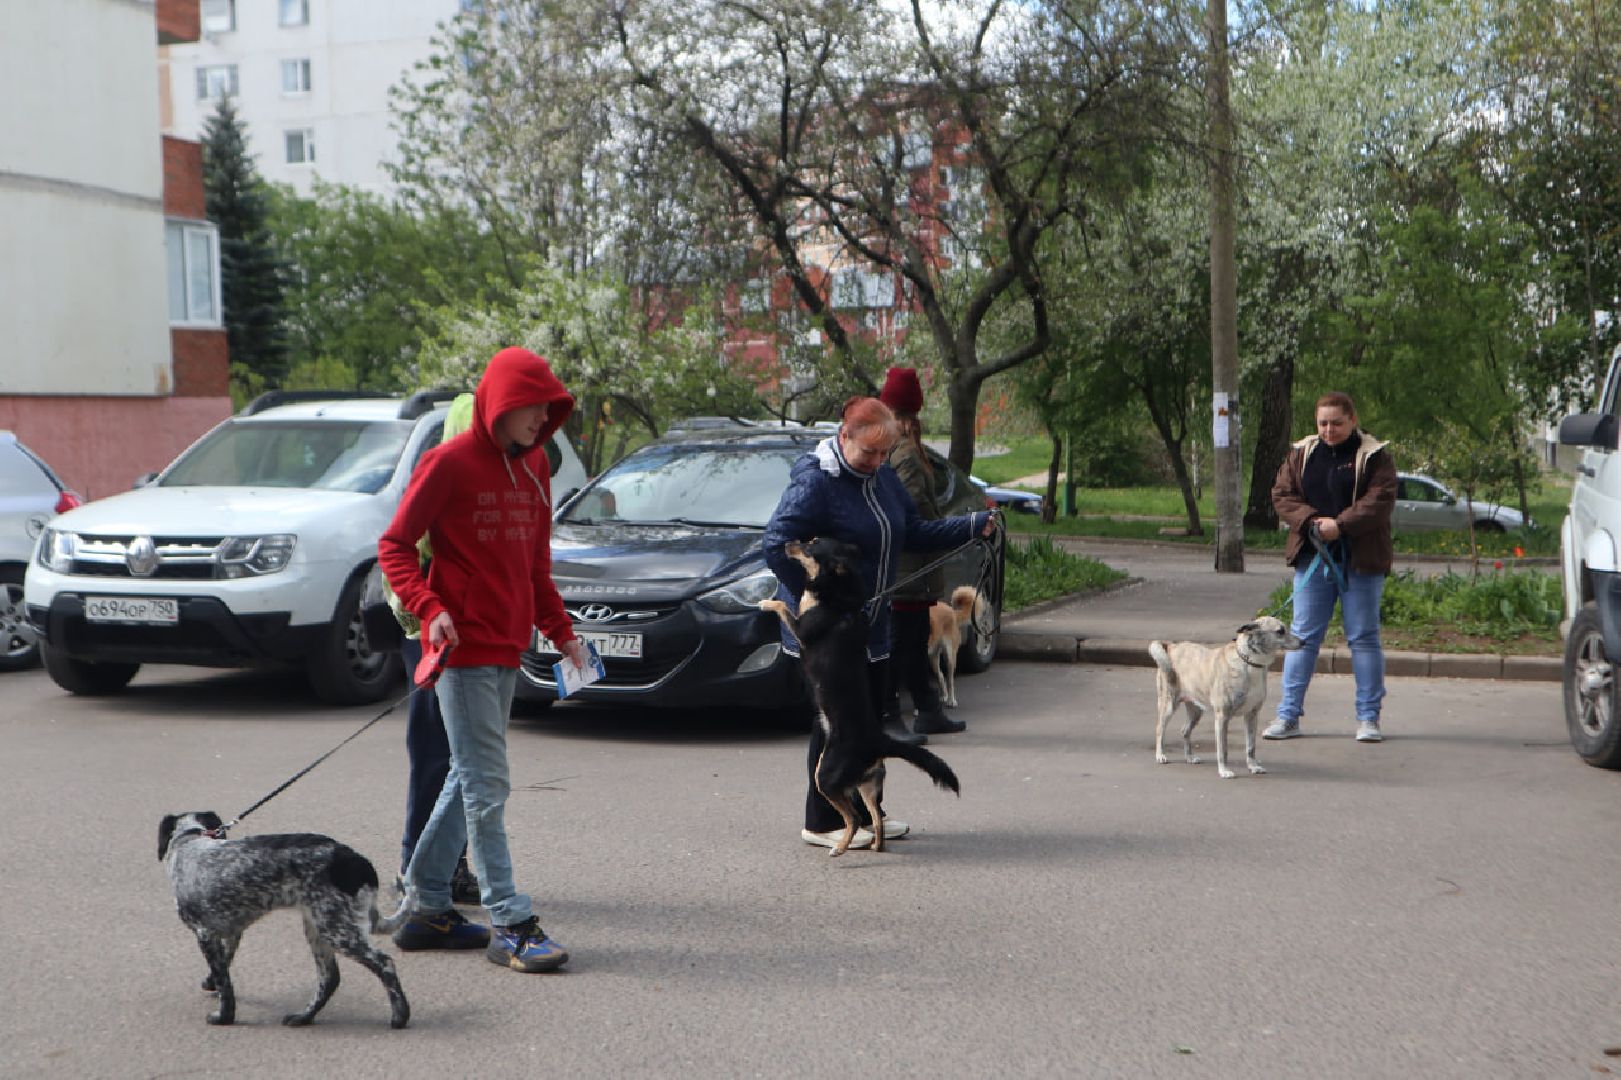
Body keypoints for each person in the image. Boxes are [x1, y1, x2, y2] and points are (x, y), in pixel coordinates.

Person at [378, 346, 590, 973]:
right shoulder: (448, 463)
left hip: (507, 645)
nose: (542, 420)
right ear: (501, 402)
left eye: (550, 410)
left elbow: (535, 567)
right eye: (533, 408)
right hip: (461, 649)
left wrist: (562, 632)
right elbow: (392, 546)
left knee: (468, 777)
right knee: (488, 784)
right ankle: (511, 920)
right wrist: (426, 604)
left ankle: (425, 906)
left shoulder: (537, 470)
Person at [765, 396, 995, 850]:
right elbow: (776, 545)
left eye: (883, 453)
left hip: (870, 624)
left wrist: (972, 525)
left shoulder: (883, 477)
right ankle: (823, 819)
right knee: (835, 721)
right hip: (826, 630)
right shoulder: (816, 483)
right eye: (867, 452)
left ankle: (869, 811)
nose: (875, 462)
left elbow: (913, 532)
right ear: (843, 435)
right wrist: (824, 602)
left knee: (867, 722)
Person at [385, 392, 479, 905]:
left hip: (469, 642)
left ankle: (450, 865)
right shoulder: (436, 479)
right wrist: (427, 616)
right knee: (434, 758)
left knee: (466, 763)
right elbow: (396, 561)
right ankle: (413, 867)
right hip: (426, 640)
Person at [1264, 392, 1396, 744]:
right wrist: (1311, 521)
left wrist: (1340, 525)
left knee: (1364, 638)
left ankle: (1369, 719)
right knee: (1301, 637)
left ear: (1352, 420)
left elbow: (1380, 500)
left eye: (1336, 423)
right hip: (1313, 557)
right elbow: (1282, 494)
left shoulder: (1374, 455)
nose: (1329, 430)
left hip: (1361, 558)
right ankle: (1288, 716)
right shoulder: (1302, 453)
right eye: (1323, 423)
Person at [877, 366, 965, 736]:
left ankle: (927, 710)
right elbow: (912, 507)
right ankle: (888, 716)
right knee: (901, 644)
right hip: (906, 569)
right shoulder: (904, 453)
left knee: (912, 642)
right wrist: (947, 530)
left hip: (912, 570)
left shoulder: (899, 448)